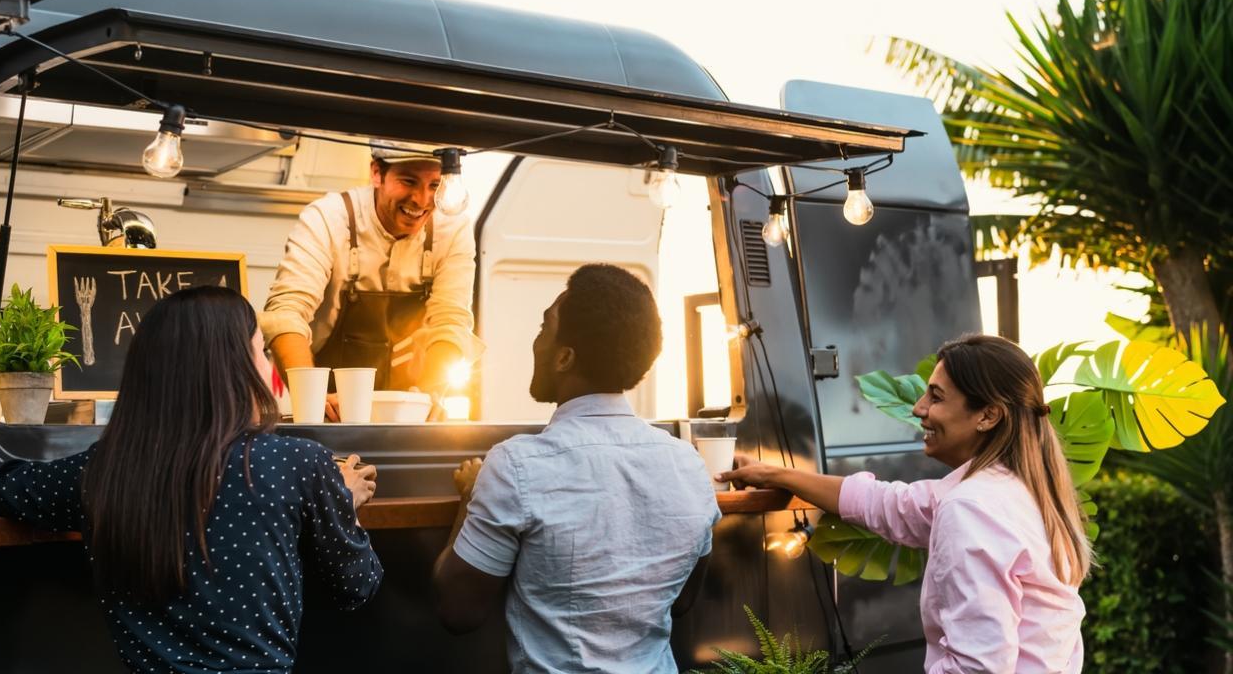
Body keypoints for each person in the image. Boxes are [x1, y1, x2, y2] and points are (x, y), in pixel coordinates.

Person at [0, 286, 382, 673]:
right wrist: (342, 501)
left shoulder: (102, 470)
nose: (265, 369)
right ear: (233, 368)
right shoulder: (299, 462)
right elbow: (357, 586)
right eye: (259, 352)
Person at [720, 334, 1090, 673]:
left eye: (937, 397)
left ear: (988, 415)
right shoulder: (1020, 488)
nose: (918, 408)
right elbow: (888, 504)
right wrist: (777, 475)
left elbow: (980, 666)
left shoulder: (973, 508)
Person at [431, 264, 721, 673]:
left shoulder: (517, 466)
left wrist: (469, 496)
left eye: (544, 327)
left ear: (565, 357)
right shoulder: (689, 465)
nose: (535, 342)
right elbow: (684, 600)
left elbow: (458, 612)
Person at [261, 140, 482, 420]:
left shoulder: (454, 228)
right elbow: (287, 313)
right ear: (376, 173)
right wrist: (312, 401)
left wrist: (432, 392)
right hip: (328, 406)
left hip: (408, 408)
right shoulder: (328, 217)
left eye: (434, 186)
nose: (421, 199)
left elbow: (450, 321)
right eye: (408, 181)